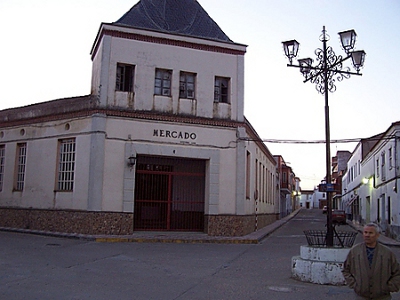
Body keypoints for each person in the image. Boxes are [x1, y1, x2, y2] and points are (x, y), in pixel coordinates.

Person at [342, 223, 400, 299]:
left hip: (382, 297)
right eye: (365, 232)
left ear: (377, 235)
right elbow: (346, 270)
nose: (367, 235)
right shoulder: (355, 251)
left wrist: (390, 287)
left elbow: (397, 272)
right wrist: (355, 285)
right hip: (361, 297)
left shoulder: (387, 253)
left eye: (370, 233)